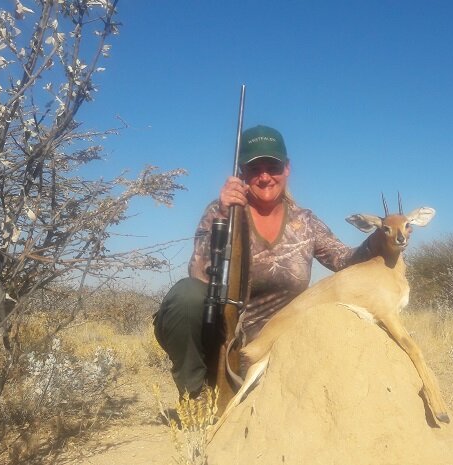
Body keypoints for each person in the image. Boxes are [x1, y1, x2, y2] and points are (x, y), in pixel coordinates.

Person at [153, 125, 372, 398]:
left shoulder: (306, 222)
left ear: (287, 169)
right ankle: (195, 395)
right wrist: (223, 215)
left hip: (280, 343)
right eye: (255, 169)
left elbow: (345, 260)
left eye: (273, 167)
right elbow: (198, 275)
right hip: (223, 338)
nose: (265, 177)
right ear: (242, 173)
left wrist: (381, 241)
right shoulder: (221, 211)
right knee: (186, 295)